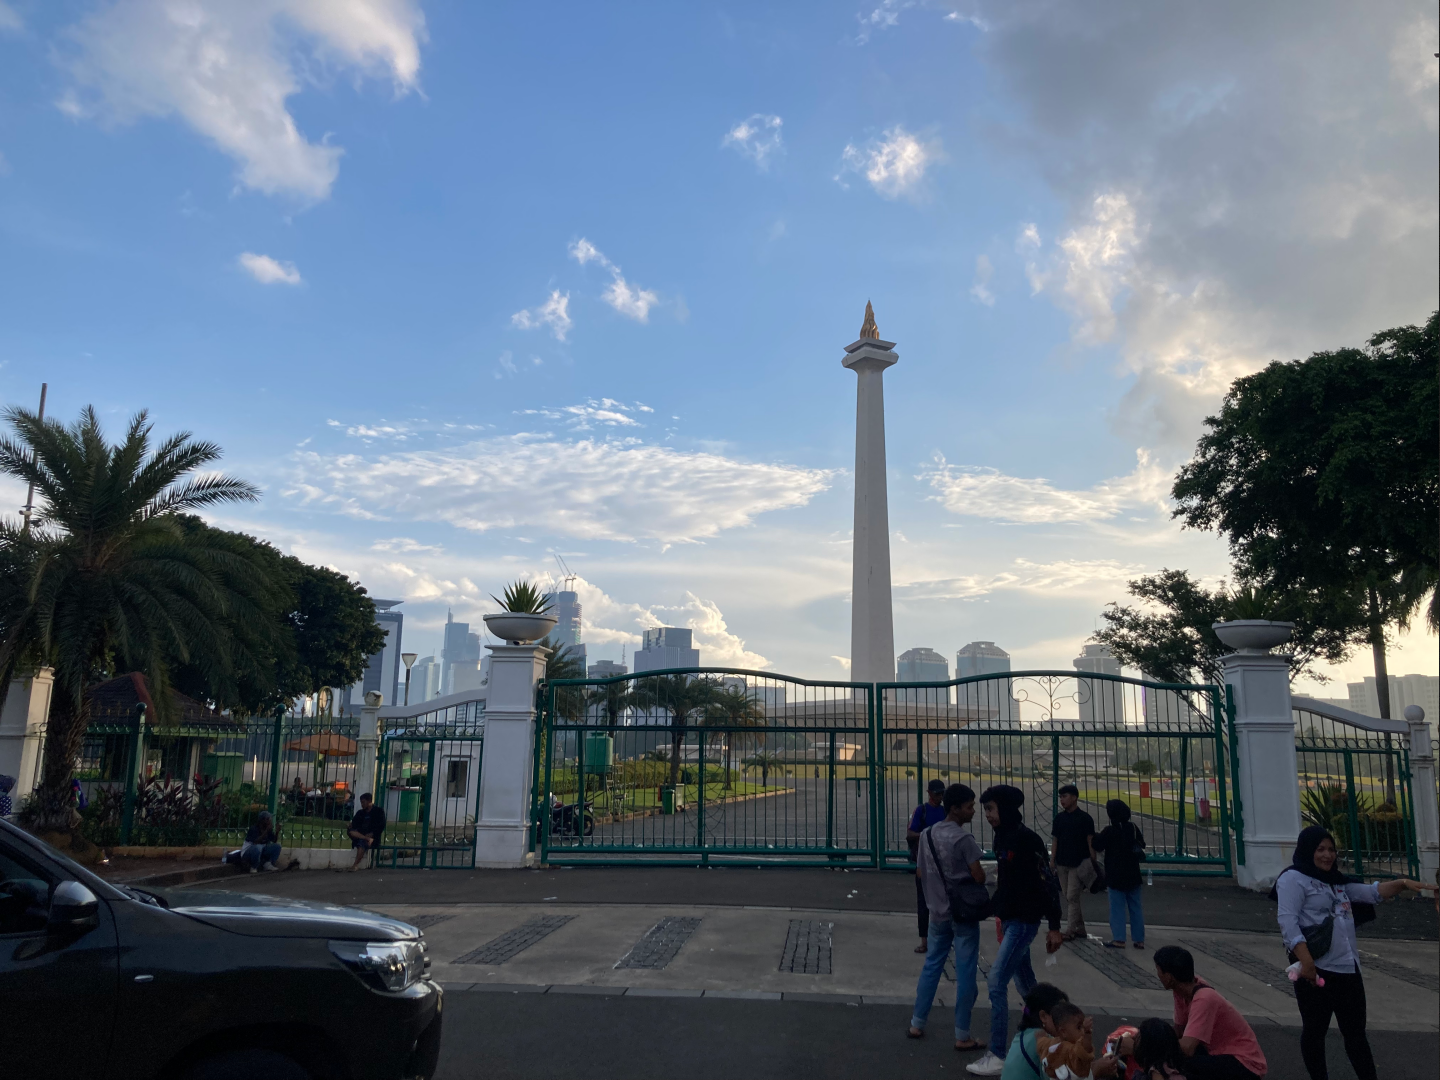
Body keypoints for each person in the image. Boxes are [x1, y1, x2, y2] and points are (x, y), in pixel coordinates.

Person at [1273, 825, 1429, 1080]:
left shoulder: (1337, 882)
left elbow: (1372, 893)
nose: (1327, 855)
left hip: (1347, 968)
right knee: (1315, 1031)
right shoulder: (1293, 879)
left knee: (1356, 1033)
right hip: (1316, 968)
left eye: (1331, 850)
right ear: (1307, 850)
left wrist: (1404, 883)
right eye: (1320, 849)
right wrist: (1307, 962)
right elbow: (1287, 922)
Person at [968, 785, 1064, 1078]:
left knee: (996, 981)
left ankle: (997, 1053)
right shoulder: (1002, 838)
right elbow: (1007, 883)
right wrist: (990, 910)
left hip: (1024, 921)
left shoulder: (1026, 839)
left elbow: (1046, 881)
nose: (987, 816)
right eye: (985, 810)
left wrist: (1055, 926)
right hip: (1010, 919)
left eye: (991, 809)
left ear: (1006, 809)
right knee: (1026, 986)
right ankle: (1055, 1030)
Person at [908, 783, 987, 1051]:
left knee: (932, 965)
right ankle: (962, 1034)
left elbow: (921, 873)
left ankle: (917, 1022)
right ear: (955, 809)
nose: (973, 811)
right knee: (965, 972)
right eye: (969, 806)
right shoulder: (963, 840)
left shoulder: (928, 834)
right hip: (963, 913)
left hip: (937, 912)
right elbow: (978, 875)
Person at [1152, 945, 1267, 1079]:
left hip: (1244, 1063)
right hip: (1217, 1053)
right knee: (1172, 1059)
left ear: (1169, 977)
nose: (1158, 975)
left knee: (1179, 1064)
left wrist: (1152, 1047)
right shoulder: (1181, 991)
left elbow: (1187, 1048)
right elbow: (1179, 1032)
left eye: (1158, 970)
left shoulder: (1204, 998)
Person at [1096, 798, 1147, 949]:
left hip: (1115, 873)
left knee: (1117, 908)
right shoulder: (1132, 828)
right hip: (1133, 872)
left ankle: (1119, 938)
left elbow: (1098, 845)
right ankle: (1139, 939)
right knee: (1135, 907)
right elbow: (1142, 844)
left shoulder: (1109, 831)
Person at [908, 778, 950, 952]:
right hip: (925, 863)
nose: (940, 797)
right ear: (929, 793)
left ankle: (941, 938)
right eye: (937, 793)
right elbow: (910, 833)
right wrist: (929, 835)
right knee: (924, 902)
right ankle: (925, 940)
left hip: (941, 863)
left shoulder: (945, 811)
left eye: (942, 793)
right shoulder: (921, 810)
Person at [1050, 783, 1096, 941]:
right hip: (1062, 862)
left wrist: (1093, 861)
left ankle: (1069, 930)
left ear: (1075, 797)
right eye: (1061, 797)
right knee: (1070, 897)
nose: (1062, 800)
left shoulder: (1085, 819)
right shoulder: (1059, 818)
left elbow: (1090, 841)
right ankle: (1080, 928)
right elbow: (1055, 840)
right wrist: (1052, 860)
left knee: (1071, 896)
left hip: (1079, 863)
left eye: (1065, 796)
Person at [998, 983, 1069, 1080]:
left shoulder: (1024, 1035)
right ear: (1043, 1016)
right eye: (1061, 1016)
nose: (1066, 1021)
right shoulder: (1045, 1040)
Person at [1038, 1001, 1095, 1079]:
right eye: (1079, 1027)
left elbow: (1042, 1044)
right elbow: (1085, 1052)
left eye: (1082, 1027)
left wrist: (1040, 1039)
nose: (1082, 1032)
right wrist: (1087, 1033)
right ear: (1063, 1032)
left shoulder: (1052, 1044)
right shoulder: (1069, 1050)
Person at [347, 792, 386, 870]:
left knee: (362, 843)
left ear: (369, 801)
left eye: (363, 802)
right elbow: (354, 824)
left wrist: (372, 834)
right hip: (361, 835)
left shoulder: (378, 811)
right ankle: (366, 838)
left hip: (372, 837)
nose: (362, 804)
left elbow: (381, 825)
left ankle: (355, 865)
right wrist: (350, 825)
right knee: (351, 831)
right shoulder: (360, 813)